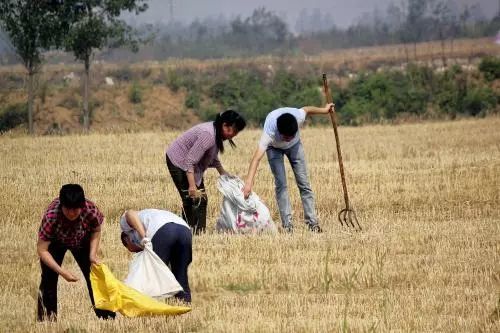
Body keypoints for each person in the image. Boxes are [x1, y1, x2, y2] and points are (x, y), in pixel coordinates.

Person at [242, 103, 335, 233]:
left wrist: (325, 110)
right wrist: (248, 183)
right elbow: (256, 158)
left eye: (291, 136)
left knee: (304, 184)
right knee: (281, 185)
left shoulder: (298, 117)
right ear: (279, 132)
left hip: (295, 147)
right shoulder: (269, 132)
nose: (287, 140)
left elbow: (307, 109)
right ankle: (288, 226)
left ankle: (312, 223)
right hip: (274, 149)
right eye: (285, 137)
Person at [36, 184, 115, 321]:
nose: (72, 213)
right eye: (68, 209)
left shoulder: (90, 210)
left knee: (94, 276)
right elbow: (42, 250)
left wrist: (92, 255)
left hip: (81, 239)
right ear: (62, 206)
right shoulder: (51, 216)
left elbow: (96, 230)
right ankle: (47, 320)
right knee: (48, 281)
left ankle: (106, 317)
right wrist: (62, 271)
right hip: (55, 242)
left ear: (82, 205)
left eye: (75, 209)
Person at [165, 110, 246, 234]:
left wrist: (223, 173)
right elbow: (189, 161)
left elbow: (211, 155)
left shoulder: (217, 133)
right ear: (224, 125)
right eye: (233, 131)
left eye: (236, 132)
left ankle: (198, 233)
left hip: (190, 163)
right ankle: (188, 233)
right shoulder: (208, 134)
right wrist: (192, 186)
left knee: (200, 200)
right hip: (178, 160)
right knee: (190, 199)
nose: (234, 135)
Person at [120, 209, 192, 303]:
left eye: (133, 249)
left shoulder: (125, 229)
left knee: (153, 276)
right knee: (181, 276)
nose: (137, 251)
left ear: (127, 240)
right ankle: (184, 306)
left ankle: (150, 307)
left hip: (163, 230)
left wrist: (144, 238)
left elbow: (130, 213)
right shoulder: (149, 215)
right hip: (185, 231)